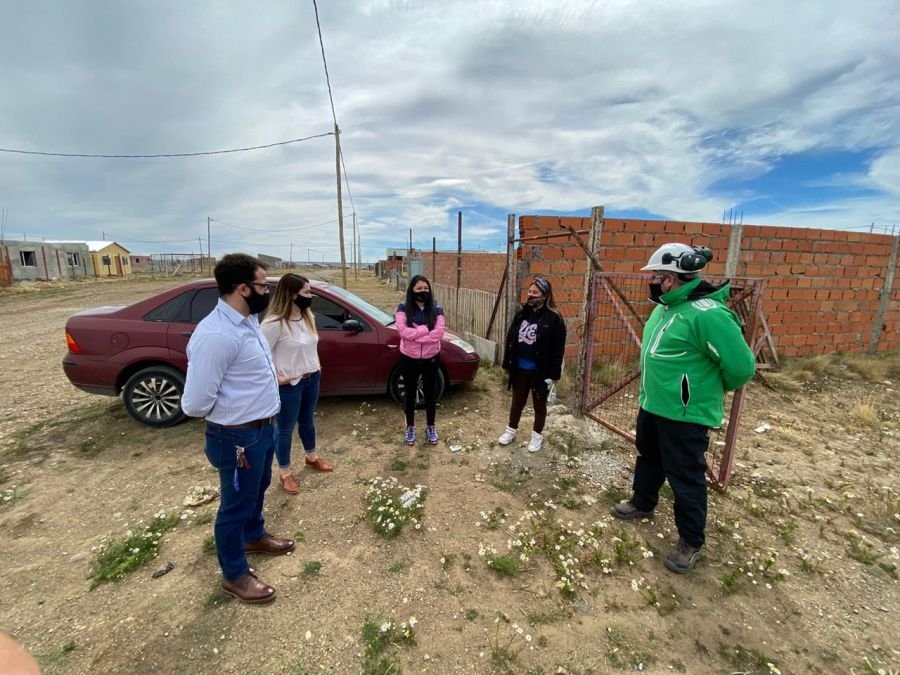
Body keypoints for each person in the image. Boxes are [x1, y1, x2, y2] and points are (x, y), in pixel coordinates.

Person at [611, 243, 756, 574]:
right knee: (648, 457)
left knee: (685, 477)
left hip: (685, 416)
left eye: (657, 275)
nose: (652, 281)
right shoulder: (666, 307)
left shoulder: (708, 315)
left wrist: (703, 393)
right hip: (653, 405)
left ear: (672, 279)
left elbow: (741, 367)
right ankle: (642, 503)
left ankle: (691, 541)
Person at [182, 253, 295, 604]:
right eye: (263, 284)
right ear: (243, 288)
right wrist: (236, 413)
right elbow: (195, 403)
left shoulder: (248, 322)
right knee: (234, 505)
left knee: (257, 488)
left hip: (262, 429)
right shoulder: (215, 335)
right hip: (235, 437)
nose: (268, 290)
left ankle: (254, 535)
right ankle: (234, 574)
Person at [261, 273, 331, 495]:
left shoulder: (307, 316)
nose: (310, 296)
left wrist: (316, 365)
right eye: (306, 292)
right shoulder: (273, 324)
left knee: (308, 421)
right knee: (284, 429)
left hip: (311, 379)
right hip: (289, 385)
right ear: (291, 294)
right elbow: (259, 357)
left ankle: (311, 457)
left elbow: (311, 346)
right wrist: (276, 378)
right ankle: (285, 473)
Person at [499, 277, 566, 453]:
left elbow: (558, 349)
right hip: (520, 368)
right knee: (517, 402)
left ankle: (537, 436)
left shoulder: (554, 319)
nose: (530, 295)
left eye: (535, 292)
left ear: (545, 295)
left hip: (540, 372)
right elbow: (511, 338)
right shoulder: (522, 313)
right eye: (529, 292)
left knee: (539, 405)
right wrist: (507, 363)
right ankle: (511, 430)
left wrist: (554, 375)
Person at [394, 275, 445, 446]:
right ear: (412, 290)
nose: (423, 292)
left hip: (431, 357)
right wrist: (425, 331)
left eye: (426, 288)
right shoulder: (403, 308)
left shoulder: (436, 308)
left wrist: (416, 335)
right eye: (419, 288)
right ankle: (410, 427)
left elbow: (439, 333)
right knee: (409, 394)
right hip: (409, 357)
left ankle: (431, 426)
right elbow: (402, 331)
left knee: (430, 394)